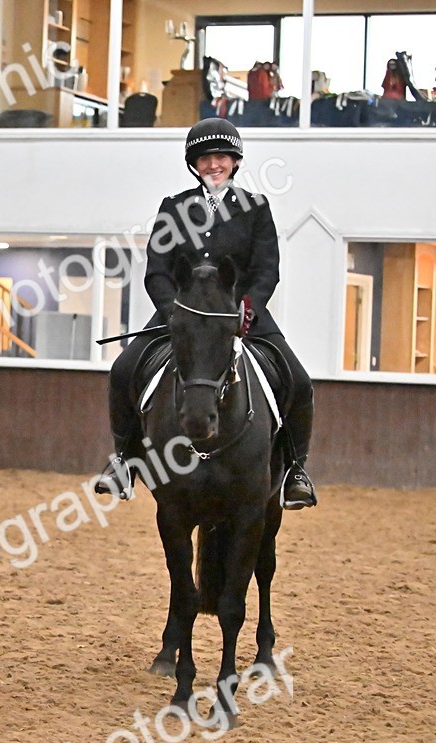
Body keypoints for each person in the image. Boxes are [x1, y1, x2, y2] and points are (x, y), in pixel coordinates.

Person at [97, 118, 317, 510]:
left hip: (239, 315)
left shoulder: (255, 208)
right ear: (194, 164)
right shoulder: (174, 207)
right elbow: (157, 270)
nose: (213, 164)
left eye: (221, 157)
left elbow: (268, 270)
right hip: (182, 315)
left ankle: (295, 471)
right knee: (123, 370)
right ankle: (124, 461)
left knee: (298, 381)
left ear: (234, 161)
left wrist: (247, 309)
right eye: (204, 158)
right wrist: (173, 313)